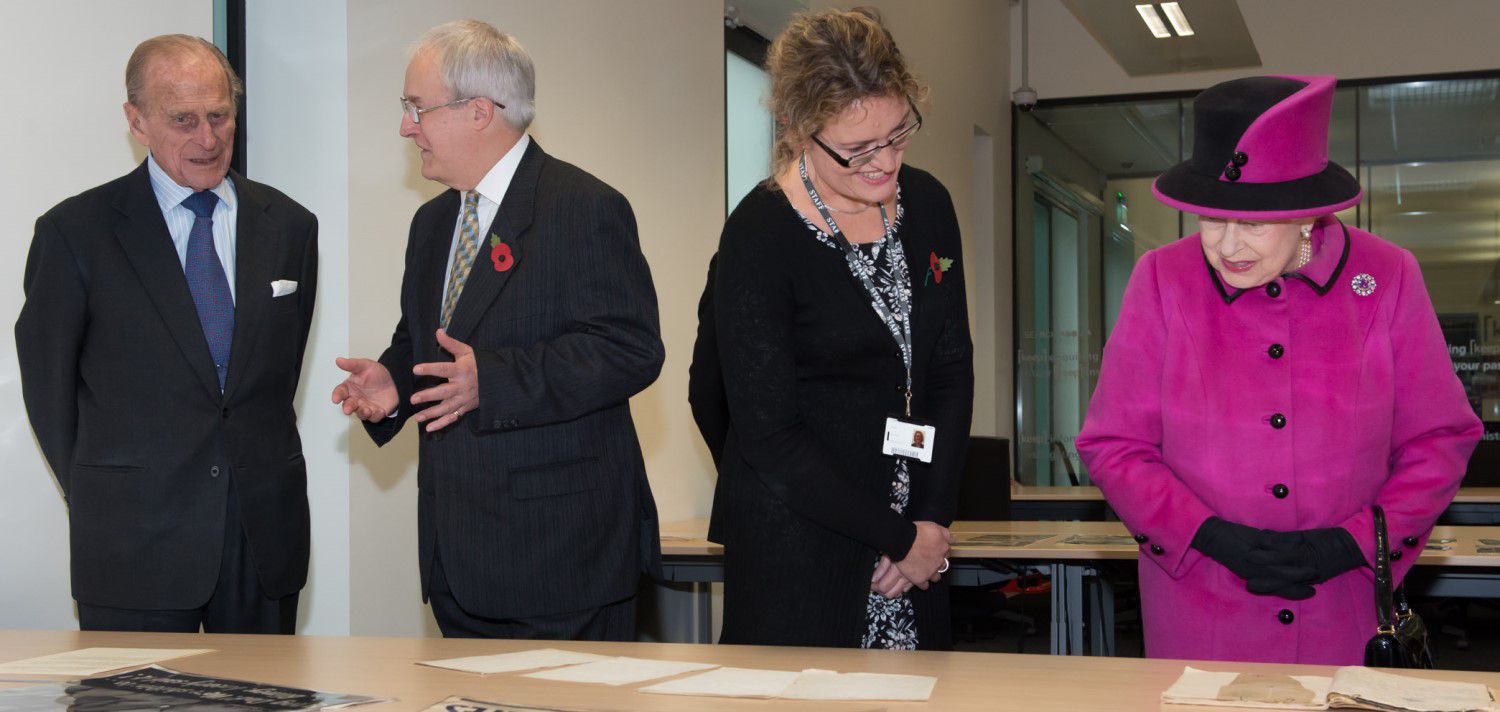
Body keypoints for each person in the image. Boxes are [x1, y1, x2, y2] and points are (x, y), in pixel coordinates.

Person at [1076, 75, 1482, 665]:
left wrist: (1351, 544)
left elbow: (1439, 439)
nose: (1226, 245)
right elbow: (1116, 443)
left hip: (1345, 606)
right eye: (1210, 219)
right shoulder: (1163, 279)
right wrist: (1210, 536)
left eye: (1253, 224)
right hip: (1202, 605)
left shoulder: (1387, 276)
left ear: (1308, 215)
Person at [332, 20, 664, 640]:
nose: (406, 126)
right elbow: (427, 347)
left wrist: (497, 382)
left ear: (478, 111)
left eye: (416, 107)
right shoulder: (433, 224)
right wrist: (393, 383)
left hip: (564, 561)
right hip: (459, 559)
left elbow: (631, 349)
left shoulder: (583, 207)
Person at [16, 35, 318, 633]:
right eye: (183, 120)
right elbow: (49, 392)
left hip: (261, 545)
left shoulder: (289, 225)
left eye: (220, 116)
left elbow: (273, 380)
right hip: (133, 545)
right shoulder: (75, 233)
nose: (207, 139)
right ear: (136, 121)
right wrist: (112, 492)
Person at [692, 8, 973, 650]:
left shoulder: (928, 205)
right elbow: (762, 430)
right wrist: (896, 536)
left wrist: (929, 522)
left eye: (898, 135)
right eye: (856, 150)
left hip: (915, 548)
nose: (884, 164)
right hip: (801, 544)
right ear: (797, 130)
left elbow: (950, 368)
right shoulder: (759, 236)